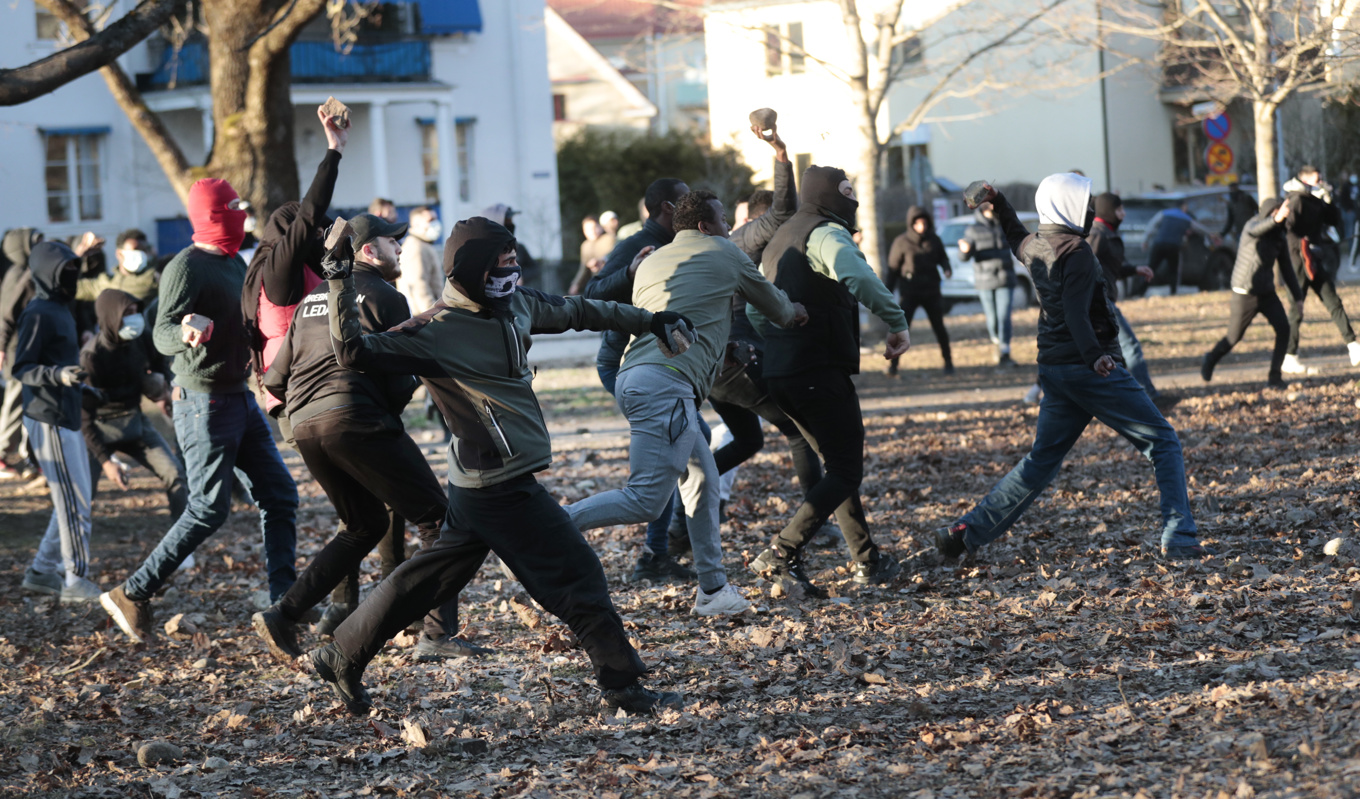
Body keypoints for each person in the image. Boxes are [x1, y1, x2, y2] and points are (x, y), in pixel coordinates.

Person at [307, 216, 689, 716]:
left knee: (428, 579)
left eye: (515, 263)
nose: (512, 274)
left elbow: (579, 309)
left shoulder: (519, 305)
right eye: (501, 266)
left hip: (477, 486)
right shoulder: (435, 329)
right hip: (497, 484)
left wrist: (651, 320)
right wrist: (337, 278)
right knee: (578, 577)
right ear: (472, 271)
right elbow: (353, 351)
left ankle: (340, 654)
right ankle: (623, 685)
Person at [936, 174, 1212, 561]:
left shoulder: (1035, 245)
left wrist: (997, 202)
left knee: (1040, 463)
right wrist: (1095, 356)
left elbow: (1014, 233)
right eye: (1083, 204)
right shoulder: (1077, 252)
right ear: (1068, 206)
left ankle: (965, 532)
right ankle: (1180, 536)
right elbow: (1075, 312)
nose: (1088, 212)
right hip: (1090, 370)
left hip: (1054, 369)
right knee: (1163, 442)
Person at [254, 214, 487, 664]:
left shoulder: (310, 302)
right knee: (440, 521)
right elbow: (399, 378)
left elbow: (275, 379)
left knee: (364, 525)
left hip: (306, 428)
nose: (400, 247)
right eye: (391, 240)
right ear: (367, 251)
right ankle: (437, 634)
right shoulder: (385, 297)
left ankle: (284, 613)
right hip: (355, 419)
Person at [567, 190, 805, 614]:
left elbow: (686, 311)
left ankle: (713, 589)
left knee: (703, 479)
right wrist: (796, 311)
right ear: (705, 226)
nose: (730, 226)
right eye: (723, 219)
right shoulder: (725, 252)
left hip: (636, 378)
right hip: (666, 385)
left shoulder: (653, 260)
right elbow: (775, 307)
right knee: (644, 499)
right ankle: (551, 528)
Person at [100, 178, 300, 644]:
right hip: (202, 401)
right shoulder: (184, 267)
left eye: (240, 209)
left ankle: (285, 602)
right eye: (230, 209)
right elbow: (161, 332)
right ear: (210, 216)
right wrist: (185, 333)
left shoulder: (234, 262)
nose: (240, 216)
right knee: (209, 508)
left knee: (281, 495)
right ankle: (132, 593)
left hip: (238, 397)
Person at [747, 165, 911, 594]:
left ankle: (866, 560)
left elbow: (753, 310)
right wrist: (896, 321)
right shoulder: (826, 233)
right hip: (817, 367)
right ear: (831, 197)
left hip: (781, 371)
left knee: (837, 469)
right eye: (847, 193)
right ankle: (782, 550)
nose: (853, 201)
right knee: (845, 469)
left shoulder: (779, 239)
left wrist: (782, 341)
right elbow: (855, 275)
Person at [583, 177, 691, 556]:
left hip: (660, 363)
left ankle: (667, 545)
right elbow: (592, 294)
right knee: (669, 458)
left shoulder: (680, 245)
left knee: (691, 446)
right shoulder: (635, 245)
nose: (691, 205)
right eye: (685, 199)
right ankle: (657, 551)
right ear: (667, 208)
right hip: (623, 362)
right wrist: (628, 273)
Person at [242, 105, 348, 418]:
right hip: (298, 391)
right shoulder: (279, 269)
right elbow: (310, 212)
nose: (318, 239)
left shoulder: (306, 270)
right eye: (313, 233)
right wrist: (334, 150)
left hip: (311, 385)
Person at [14, 241, 103, 602]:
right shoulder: (37, 312)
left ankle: (40, 572)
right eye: (65, 271)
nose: (72, 278)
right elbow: (23, 368)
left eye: (73, 270)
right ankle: (74, 580)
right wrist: (57, 375)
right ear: (47, 274)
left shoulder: (62, 309)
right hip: (47, 418)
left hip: (67, 414)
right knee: (73, 502)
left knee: (74, 500)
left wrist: (82, 388)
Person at [80, 289, 186, 518]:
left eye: (136, 311)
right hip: (99, 428)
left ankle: (184, 545)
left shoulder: (140, 338)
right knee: (81, 495)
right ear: (111, 315)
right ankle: (70, 551)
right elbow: (84, 418)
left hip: (134, 420)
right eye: (127, 313)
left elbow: (161, 363)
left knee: (175, 474)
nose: (135, 318)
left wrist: (163, 390)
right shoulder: (91, 357)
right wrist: (106, 462)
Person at [1201, 198, 1305, 388]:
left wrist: (1298, 297)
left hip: (1266, 292)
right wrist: (1275, 219)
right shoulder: (1252, 226)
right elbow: (1257, 229)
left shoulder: (1279, 236)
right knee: (1233, 337)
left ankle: (1275, 377)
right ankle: (1210, 358)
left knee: (1284, 329)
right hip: (1245, 291)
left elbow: (1287, 269)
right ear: (1269, 213)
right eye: (1277, 213)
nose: (1282, 217)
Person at [1280, 165, 1360, 372]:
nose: (1321, 181)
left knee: (1333, 300)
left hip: (1313, 261)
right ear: (1306, 179)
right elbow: (1288, 230)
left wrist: (1328, 201)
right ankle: (1289, 355)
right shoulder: (1296, 199)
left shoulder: (1315, 199)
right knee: (1296, 308)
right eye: (1318, 178)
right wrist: (1304, 246)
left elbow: (1333, 221)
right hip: (1298, 262)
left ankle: (1353, 346)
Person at [1087, 193, 1163, 402]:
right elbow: (1084, 268)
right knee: (1130, 346)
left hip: (1105, 300)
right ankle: (1149, 396)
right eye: (1119, 210)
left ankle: (1121, 397)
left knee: (1112, 353)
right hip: (1100, 303)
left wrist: (1135, 269)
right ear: (1109, 212)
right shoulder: (1098, 235)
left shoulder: (1108, 233)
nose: (1123, 214)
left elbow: (1112, 268)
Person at [885, 207, 954, 376]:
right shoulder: (901, 242)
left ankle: (948, 362)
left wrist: (946, 268)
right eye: (917, 223)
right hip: (910, 292)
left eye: (924, 223)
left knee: (939, 328)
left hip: (931, 291)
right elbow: (893, 269)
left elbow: (943, 258)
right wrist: (887, 293)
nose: (921, 226)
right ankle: (893, 365)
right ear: (911, 224)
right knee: (901, 328)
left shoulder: (934, 240)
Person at [0, 227, 44, 479]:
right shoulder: (17, 274)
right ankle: (3, 453)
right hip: (17, 350)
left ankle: (29, 455)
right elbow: (6, 316)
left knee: (29, 404)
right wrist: (2, 347)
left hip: (26, 347)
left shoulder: (22, 273)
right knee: (16, 402)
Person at [958, 202, 1017, 366]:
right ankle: (997, 342)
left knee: (1004, 315)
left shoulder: (1004, 225)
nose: (991, 208)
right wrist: (964, 250)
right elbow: (964, 256)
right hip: (985, 280)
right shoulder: (973, 229)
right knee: (992, 319)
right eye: (987, 206)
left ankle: (1005, 351)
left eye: (993, 205)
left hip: (1005, 277)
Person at [1142, 201, 1218, 295]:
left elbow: (1151, 226)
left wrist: (1145, 240)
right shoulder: (1186, 218)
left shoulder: (1164, 213)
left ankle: (1140, 290)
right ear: (1183, 207)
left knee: (1151, 267)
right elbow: (1199, 228)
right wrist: (1211, 234)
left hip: (1159, 243)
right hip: (1174, 245)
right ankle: (1173, 292)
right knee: (1173, 270)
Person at [75, 230, 159, 306]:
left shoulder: (154, 278)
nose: (141, 255)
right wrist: (77, 257)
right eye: (135, 250)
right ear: (119, 253)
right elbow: (71, 286)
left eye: (144, 250)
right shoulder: (105, 283)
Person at [397, 206, 443, 314]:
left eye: (436, 219)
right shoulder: (417, 247)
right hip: (425, 317)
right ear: (416, 224)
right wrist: (433, 315)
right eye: (430, 220)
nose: (435, 223)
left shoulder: (422, 244)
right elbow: (419, 286)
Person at [568, 215, 615, 296]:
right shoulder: (585, 246)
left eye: (594, 227)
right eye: (587, 229)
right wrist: (576, 284)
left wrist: (601, 261)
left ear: (600, 227)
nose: (592, 231)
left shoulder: (609, 239)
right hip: (597, 283)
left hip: (612, 279)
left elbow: (612, 257)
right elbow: (583, 268)